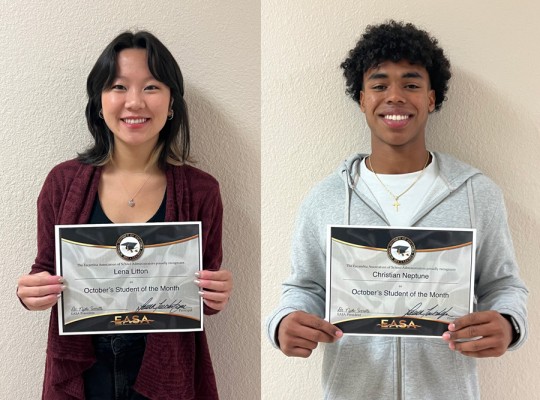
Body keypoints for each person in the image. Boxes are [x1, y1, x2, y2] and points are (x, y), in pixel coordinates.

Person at [266, 20, 528, 399]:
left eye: (411, 84)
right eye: (379, 85)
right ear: (361, 99)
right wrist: (283, 322)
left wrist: (508, 322)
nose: (395, 96)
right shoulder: (325, 198)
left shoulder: (477, 193)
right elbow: (304, 286)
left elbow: (502, 285)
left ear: (431, 98)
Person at [16, 31, 232, 400]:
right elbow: (45, 270)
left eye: (151, 87)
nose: (134, 102)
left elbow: (203, 292)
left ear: (172, 103)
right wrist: (31, 292)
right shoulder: (63, 183)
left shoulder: (201, 190)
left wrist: (216, 293)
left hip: (165, 370)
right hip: (87, 372)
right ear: (99, 102)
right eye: (118, 86)